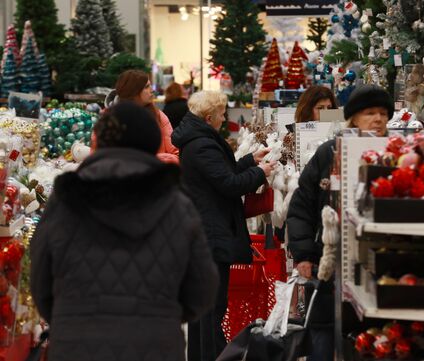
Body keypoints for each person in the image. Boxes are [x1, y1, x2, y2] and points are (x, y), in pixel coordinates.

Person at [30, 101, 219, 361]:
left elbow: (39, 282)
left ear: (99, 141)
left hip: (75, 345)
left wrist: (70, 315)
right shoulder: (177, 204)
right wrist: (162, 314)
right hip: (156, 345)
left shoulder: (65, 201)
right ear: (153, 143)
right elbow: (202, 289)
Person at [287, 85, 394, 361]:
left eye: (383, 113)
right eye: (370, 113)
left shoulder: (397, 154)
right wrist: (303, 255)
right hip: (330, 261)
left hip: (378, 265)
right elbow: (301, 207)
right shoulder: (329, 153)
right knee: (323, 329)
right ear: (353, 119)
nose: (379, 119)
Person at [171, 91, 276, 361]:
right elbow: (228, 185)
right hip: (210, 234)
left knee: (205, 312)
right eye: (221, 114)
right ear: (209, 117)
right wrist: (260, 172)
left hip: (205, 230)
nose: (224, 118)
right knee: (211, 311)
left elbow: (221, 173)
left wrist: (250, 161)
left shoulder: (198, 140)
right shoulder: (202, 145)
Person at [99, 69, 180, 164]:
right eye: (146, 87)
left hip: (154, 175)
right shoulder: (109, 119)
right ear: (133, 91)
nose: (152, 90)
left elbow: (175, 154)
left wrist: (153, 160)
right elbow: (99, 158)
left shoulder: (159, 116)